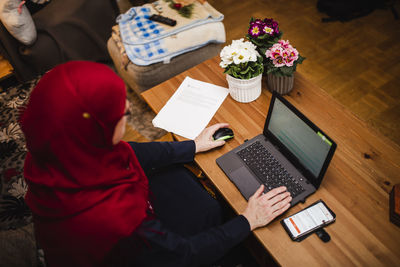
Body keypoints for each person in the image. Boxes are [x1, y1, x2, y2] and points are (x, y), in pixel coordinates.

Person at [20, 61, 292, 267]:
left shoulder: (56, 146)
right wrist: (248, 220)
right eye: (119, 113)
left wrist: (193, 146)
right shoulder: (120, 222)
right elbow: (184, 254)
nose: (126, 107)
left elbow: (129, 152)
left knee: (196, 195)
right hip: (134, 253)